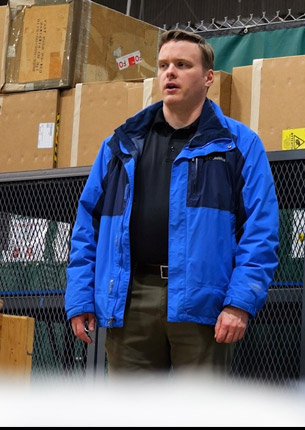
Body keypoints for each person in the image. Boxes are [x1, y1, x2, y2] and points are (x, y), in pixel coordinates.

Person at [64, 29, 279, 375]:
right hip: (130, 301)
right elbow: (87, 224)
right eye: (163, 65)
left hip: (203, 304)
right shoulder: (120, 144)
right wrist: (80, 298)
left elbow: (261, 232)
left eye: (182, 64)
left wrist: (240, 303)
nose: (170, 72)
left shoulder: (239, 145)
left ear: (209, 78)